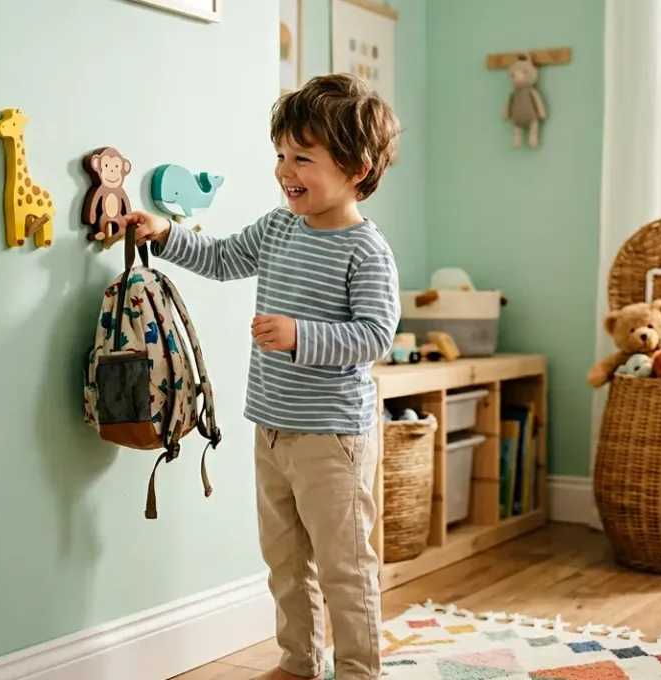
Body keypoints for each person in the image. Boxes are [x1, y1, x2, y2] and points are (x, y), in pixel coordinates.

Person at [120, 73, 402, 680]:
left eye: (302, 157)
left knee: (344, 565)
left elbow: (375, 337)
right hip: (271, 429)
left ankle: (359, 671)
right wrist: (166, 235)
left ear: (356, 168)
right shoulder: (279, 228)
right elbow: (222, 259)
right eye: (280, 154)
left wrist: (300, 335)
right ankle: (299, 662)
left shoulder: (366, 250)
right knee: (284, 559)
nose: (284, 169)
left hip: (333, 440)